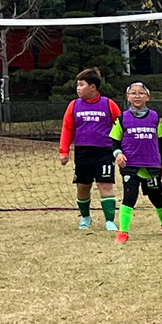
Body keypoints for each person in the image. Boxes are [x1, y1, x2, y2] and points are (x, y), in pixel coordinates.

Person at [110, 82, 162, 244]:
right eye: (133, 93)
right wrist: (118, 154)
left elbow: (161, 142)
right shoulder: (122, 118)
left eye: (141, 93)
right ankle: (123, 232)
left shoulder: (154, 117)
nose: (137, 96)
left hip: (151, 165)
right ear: (128, 97)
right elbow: (114, 142)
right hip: (130, 165)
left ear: (148, 97)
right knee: (129, 197)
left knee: (156, 197)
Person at [59, 68, 121, 231]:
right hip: (83, 152)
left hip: (104, 151)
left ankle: (109, 221)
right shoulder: (74, 105)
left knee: (105, 184)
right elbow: (67, 128)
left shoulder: (108, 104)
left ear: (93, 87)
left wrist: (122, 149)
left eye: (81, 85)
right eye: (77, 85)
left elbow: (121, 127)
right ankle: (85, 217)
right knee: (83, 186)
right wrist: (64, 151)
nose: (78, 88)